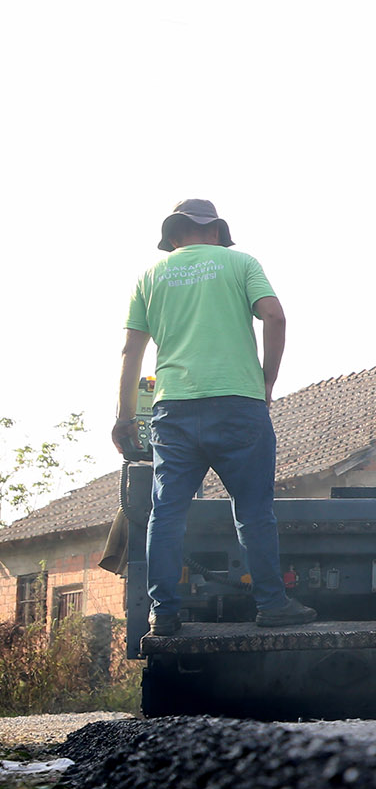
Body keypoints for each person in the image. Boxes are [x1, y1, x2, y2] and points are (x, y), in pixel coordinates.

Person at [113, 200, 317, 634]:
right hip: (238, 405)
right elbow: (275, 316)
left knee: (166, 513)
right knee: (253, 510)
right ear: (217, 233)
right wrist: (266, 381)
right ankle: (271, 605)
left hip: (175, 410)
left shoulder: (150, 276)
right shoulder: (240, 262)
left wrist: (124, 418)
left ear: (172, 236)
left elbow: (133, 350)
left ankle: (163, 613)